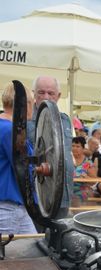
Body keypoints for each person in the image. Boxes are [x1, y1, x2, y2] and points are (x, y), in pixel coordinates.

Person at [28, 76, 74, 219]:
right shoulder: (27, 120)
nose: (46, 97)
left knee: (59, 236)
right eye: (41, 92)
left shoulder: (65, 120)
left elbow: (66, 152)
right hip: (39, 195)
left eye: (51, 93)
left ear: (58, 96)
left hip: (63, 194)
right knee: (37, 238)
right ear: (34, 94)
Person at [0, 83, 37, 235]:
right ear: (25, 104)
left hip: (15, 207)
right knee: (8, 257)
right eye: (32, 103)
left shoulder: (6, 127)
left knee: (32, 252)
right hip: (9, 208)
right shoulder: (11, 130)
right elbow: (24, 166)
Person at [71, 136, 97, 207]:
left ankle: (77, 216)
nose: (74, 148)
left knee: (76, 197)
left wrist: (86, 177)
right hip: (67, 189)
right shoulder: (67, 161)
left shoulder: (87, 163)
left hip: (82, 189)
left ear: (83, 148)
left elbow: (94, 181)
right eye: (73, 146)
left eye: (77, 146)